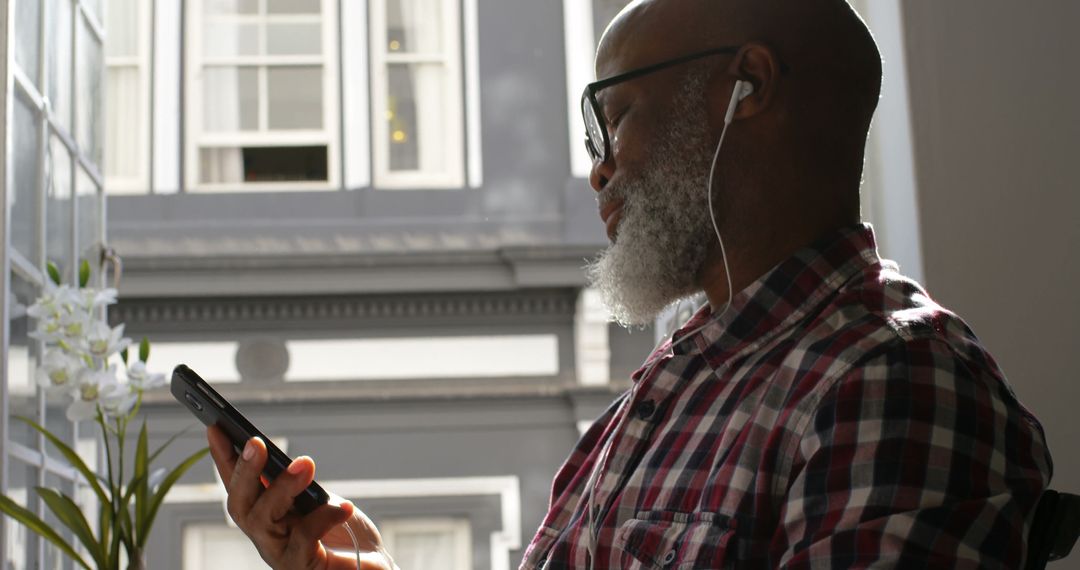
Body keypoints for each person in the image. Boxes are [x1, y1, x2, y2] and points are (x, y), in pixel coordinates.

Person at [207, 0, 1053, 567]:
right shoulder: (671, 389)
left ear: (745, 88)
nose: (598, 171)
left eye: (613, 118)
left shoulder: (895, 385)